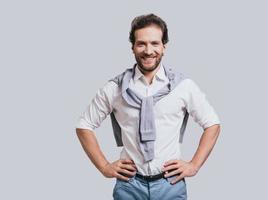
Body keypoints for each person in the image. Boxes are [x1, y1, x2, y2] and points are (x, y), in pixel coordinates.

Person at [75, 13, 221, 200]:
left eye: (154, 43)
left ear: (163, 47)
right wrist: (104, 167)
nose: (148, 50)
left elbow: (212, 123)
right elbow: (84, 125)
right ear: (133, 48)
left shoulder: (183, 86)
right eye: (141, 44)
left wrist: (194, 165)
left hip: (170, 183)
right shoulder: (115, 88)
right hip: (129, 185)